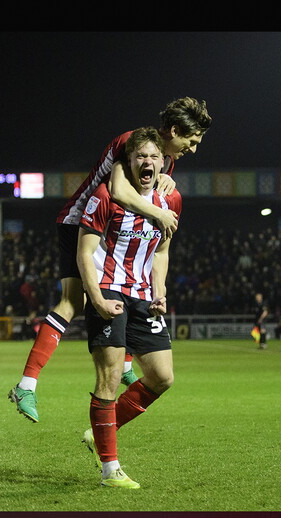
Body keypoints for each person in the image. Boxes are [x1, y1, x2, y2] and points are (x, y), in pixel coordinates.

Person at [8, 97, 211, 423]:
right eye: (191, 140)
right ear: (174, 130)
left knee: (128, 287)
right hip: (81, 224)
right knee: (72, 302)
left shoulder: (164, 160)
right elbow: (117, 190)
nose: (193, 148)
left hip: (114, 232)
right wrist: (160, 212)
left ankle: (128, 366)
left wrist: (166, 184)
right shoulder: (131, 143)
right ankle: (26, 384)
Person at [73, 127, 180, 488]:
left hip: (144, 297)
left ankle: (102, 430)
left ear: (163, 161)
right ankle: (110, 469)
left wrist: (159, 291)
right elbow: (84, 253)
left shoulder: (171, 201)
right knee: (111, 377)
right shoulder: (106, 196)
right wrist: (97, 298)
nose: (147, 162)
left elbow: (161, 252)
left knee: (163, 377)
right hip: (109, 292)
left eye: (153, 157)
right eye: (140, 157)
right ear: (129, 161)